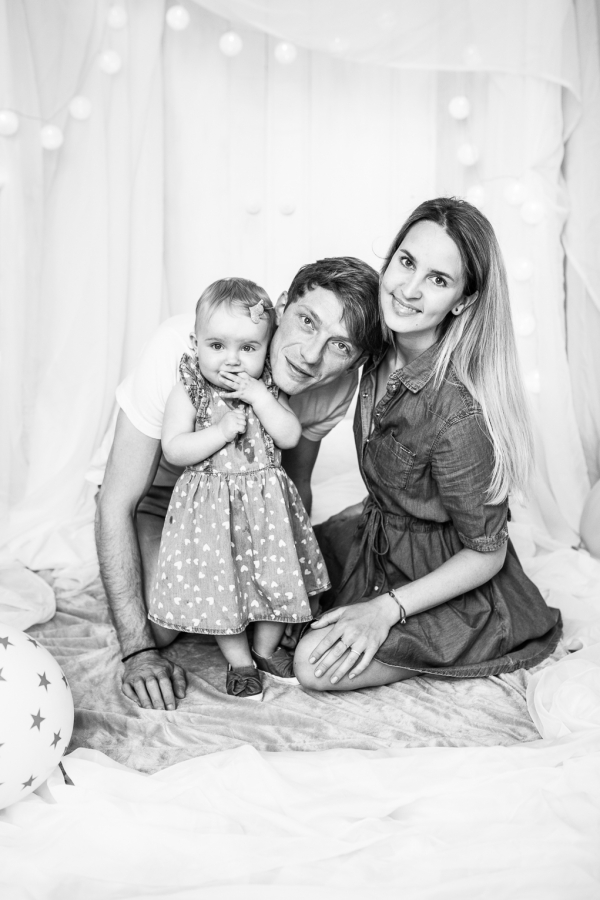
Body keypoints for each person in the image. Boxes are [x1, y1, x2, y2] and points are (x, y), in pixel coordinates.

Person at [293, 198, 562, 691]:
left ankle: (459, 636)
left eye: (438, 279)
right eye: (407, 262)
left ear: (461, 301)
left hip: (448, 578)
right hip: (380, 540)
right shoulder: (375, 346)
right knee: (273, 580)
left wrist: (384, 610)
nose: (409, 290)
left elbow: (487, 552)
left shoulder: (457, 413)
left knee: (313, 663)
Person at [94, 257, 380, 710]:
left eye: (339, 346)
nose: (310, 355)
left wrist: (290, 589)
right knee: (160, 630)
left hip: (250, 505)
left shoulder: (335, 387)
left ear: (356, 361)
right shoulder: (182, 353)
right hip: (160, 502)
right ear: (281, 307)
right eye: (307, 321)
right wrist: (137, 651)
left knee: (283, 598)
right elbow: (117, 502)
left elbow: (295, 482)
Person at [148, 278, 329, 700]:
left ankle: (264, 650)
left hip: (266, 512)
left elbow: (289, 436)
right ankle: (240, 662)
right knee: (221, 588)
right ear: (196, 344)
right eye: (217, 346)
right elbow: (174, 448)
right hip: (212, 513)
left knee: (276, 581)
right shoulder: (191, 389)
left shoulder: (267, 388)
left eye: (248, 348)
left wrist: (260, 397)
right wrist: (220, 432)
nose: (232, 359)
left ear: (266, 347)